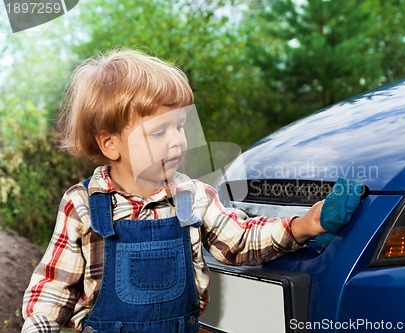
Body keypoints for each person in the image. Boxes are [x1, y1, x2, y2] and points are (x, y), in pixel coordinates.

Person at [21, 48, 329, 333]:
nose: (178, 141)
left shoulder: (193, 195)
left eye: (180, 126)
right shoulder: (84, 205)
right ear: (110, 143)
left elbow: (239, 241)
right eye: (159, 131)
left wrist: (301, 226)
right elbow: (53, 288)